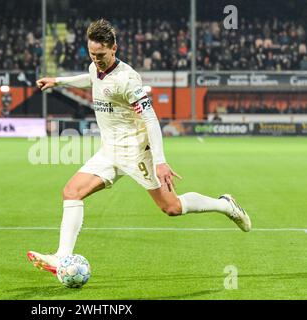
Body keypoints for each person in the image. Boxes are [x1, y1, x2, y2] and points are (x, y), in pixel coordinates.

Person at [27, 19, 251, 274]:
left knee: (172, 208)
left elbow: (150, 118)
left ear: (114, 49)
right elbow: (89, 78)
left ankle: (225, 204)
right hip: (109, 150)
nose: (97, 60)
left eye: (101, 55)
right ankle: (62, 257)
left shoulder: (128, 79)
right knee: (71, 192)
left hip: (136, 152)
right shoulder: (94, 67)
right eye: (92, 54)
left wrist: (160, 160)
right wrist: (58, 81)